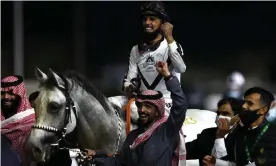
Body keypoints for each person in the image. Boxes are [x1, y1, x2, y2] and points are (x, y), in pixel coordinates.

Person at [85, 61, 188, 166]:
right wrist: (94, 158)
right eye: (139, 105)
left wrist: (168, 77)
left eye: (148, 106)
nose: (142, 110)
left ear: (158, 111)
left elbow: (180, 104)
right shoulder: (133, 136)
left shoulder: (166, 131)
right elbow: (120, 163)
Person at [122, 1, 187, 116]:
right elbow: (129, 79)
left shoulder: (171, 46)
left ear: (163, 23)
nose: (147, 23)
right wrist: (129, 88)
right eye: (145, 19)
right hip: (143, 103)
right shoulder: (135, 50)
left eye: (152, 19)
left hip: (167, 103)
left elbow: (181, 68)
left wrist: (170, 38)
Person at [203, 87, 276, 166]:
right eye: (244, 102)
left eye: (250, 103)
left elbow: (269, 160)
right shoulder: (238, 131)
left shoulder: (273, 132)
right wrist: (217, 163)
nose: (244, 106)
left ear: (263, 110)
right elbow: (231, 161)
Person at [186, 97, 243, 165]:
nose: (220, 117)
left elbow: (222, 162)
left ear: (236, 118)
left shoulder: (241, 137)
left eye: (225, 114)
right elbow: (187, 150)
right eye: (218, 113)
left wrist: (220, 136)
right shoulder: (207, 133)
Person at [1, 75, 35, 162]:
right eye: (2, 93)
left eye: (11, 93)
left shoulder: (32, 122)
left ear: (20, 94)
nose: (6, 97)